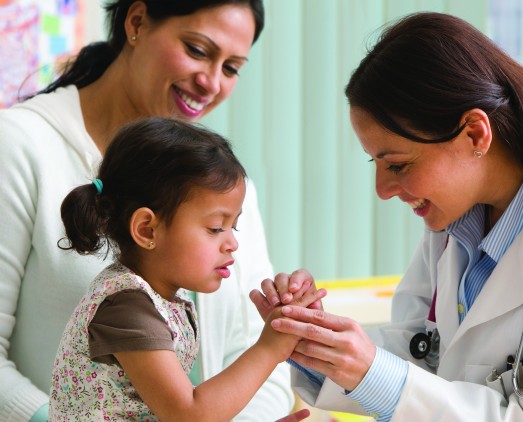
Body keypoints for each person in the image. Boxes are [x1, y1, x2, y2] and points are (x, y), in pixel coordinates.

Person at [251, 12, 523, 421]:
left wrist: (371, 371)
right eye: (376, 164)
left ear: (475, 133)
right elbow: (416, 351)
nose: (382, 191)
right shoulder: (452, 228)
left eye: (397, 165)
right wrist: (314, 338)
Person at [0, 1, 310, 420]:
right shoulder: (18, 145)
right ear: (137, 21)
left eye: (232, 68)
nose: (212, 83)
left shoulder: (223, 187)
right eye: (198, 50)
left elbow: (252, 350)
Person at [48, 117, 324, 421]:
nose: (232, 243)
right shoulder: (125, 306)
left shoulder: (159, 301)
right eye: (216, 227)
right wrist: (272, 346)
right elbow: (190, 415)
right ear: (147, 230)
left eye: (234, 226)